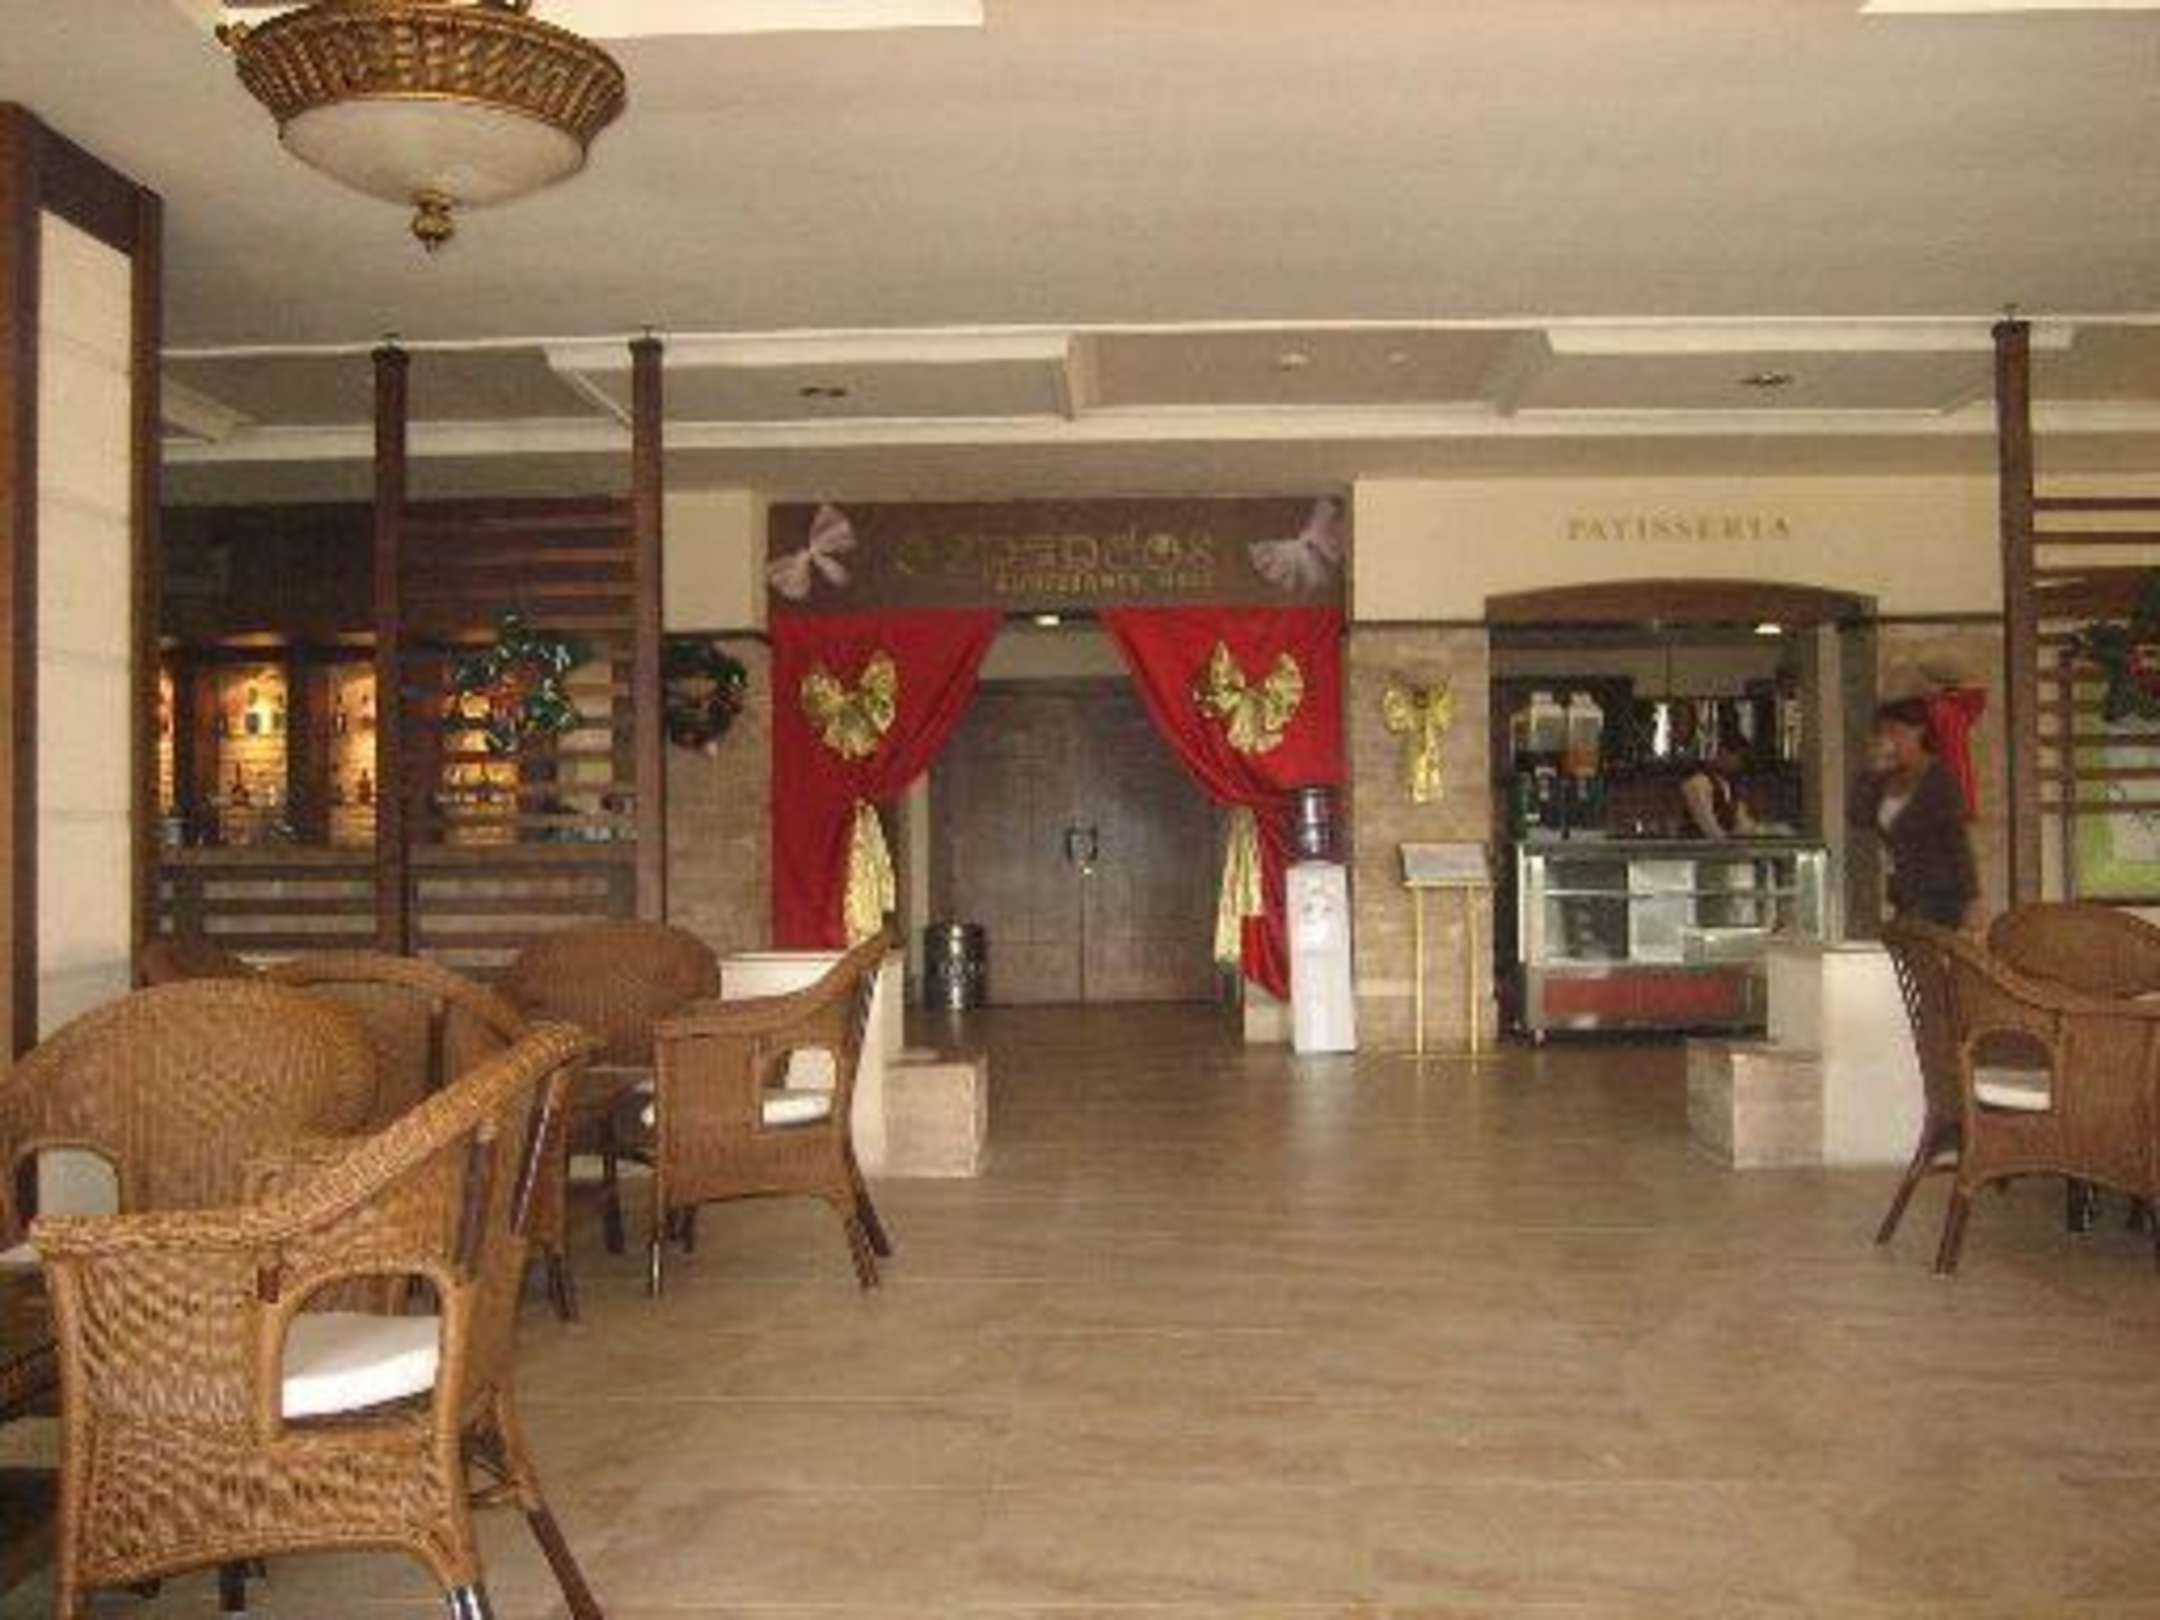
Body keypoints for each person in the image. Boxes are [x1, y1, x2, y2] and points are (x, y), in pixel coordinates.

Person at [1849, 695, 1980, 930]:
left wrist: (1972, 897)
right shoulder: (1887, 778)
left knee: (1924, 946)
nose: (1888, 740)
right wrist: (1872, 771)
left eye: (1895, 731)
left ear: (1918, 731)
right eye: (1883, 733)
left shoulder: (1939, 780)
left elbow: (1956, 840)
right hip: (1903, 890)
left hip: (1939, 892)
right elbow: (1858, 815)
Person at [1681, 730, 1756, 841]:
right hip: (1697, 848)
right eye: (1741, 758)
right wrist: (1728, 844)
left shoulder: (1730, 786)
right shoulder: (1697, 784)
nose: (1741, 765)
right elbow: (1708, 825)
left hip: (1723, 848)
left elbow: (1743, 825)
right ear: (1724, 753)